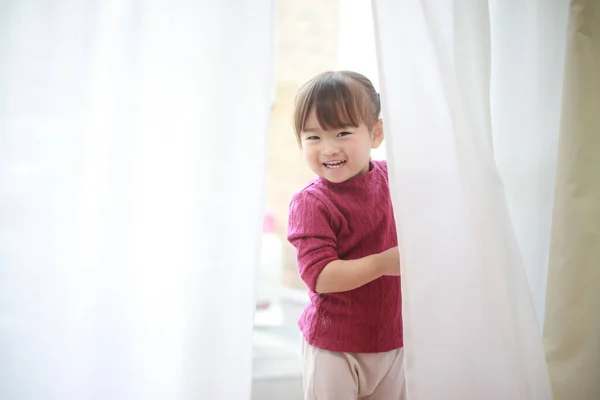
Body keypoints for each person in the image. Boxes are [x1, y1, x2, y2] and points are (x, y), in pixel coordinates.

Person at [287, 70, 404, 400]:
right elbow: (320, 276)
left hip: (392, 339)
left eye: (342, 133)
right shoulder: (312, 203)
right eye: (313, 137)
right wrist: (384, 263)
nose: (328, 148)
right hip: (334, 345)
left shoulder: (395, 178)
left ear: (375, 133)